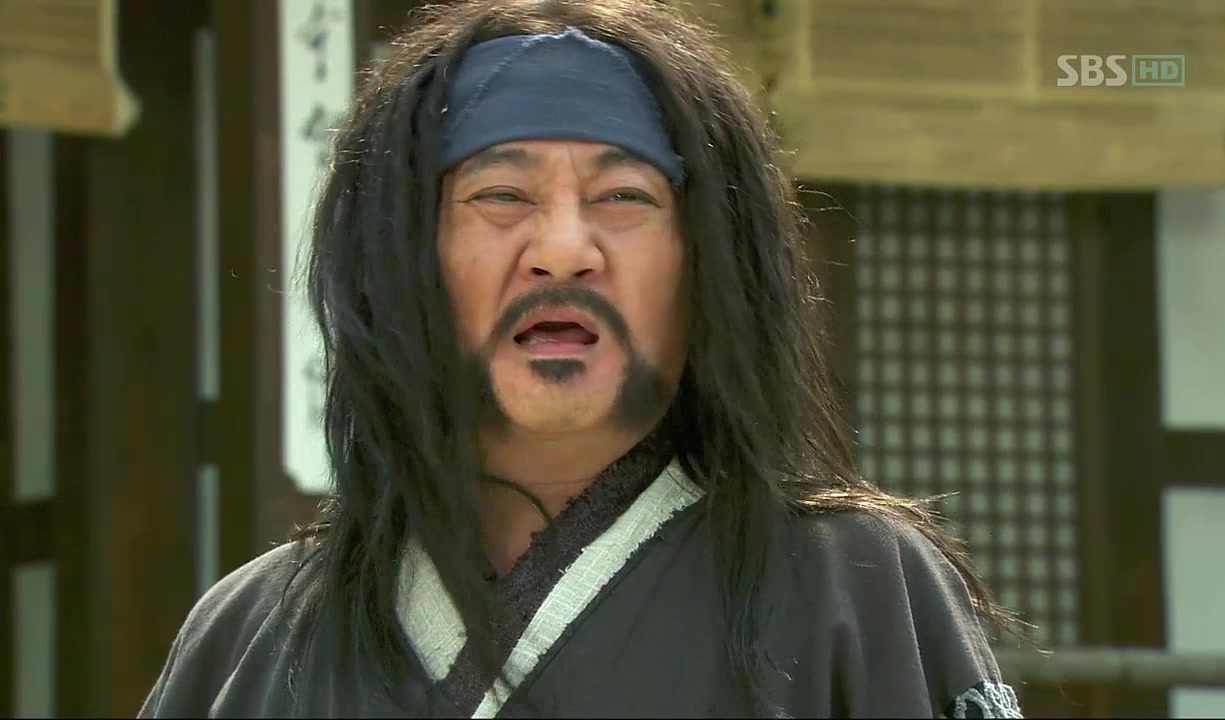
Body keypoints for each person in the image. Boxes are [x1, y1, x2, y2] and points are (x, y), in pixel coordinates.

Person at [139, 0, 1025, 717]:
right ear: (404, 260)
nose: (563, 249)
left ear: (708, 264)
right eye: (500, 194)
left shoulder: (855, 590)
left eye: (623, 197)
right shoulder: (252, 635)